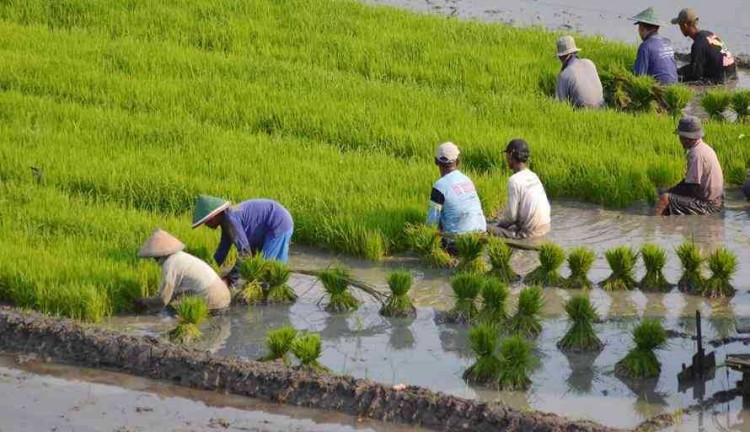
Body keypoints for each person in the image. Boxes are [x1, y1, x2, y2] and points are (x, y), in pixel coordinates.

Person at [192, 195, 294, 286]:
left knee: (265, 270)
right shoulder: (225, 222)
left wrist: (230, 279)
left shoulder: (230, 219)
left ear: (213, 216)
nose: (206, 225)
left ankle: (267, 300)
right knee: (257, 272)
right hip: (266, 227)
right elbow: (222, 250)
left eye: (206, 221)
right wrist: (209, 270)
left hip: (278, 223)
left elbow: (245, 252)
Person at [135, 228, 231, 312]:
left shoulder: (170, 264)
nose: (154, 260)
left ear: (157, 255)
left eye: (154, 257)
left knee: (170, 311)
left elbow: (163, 299)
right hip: (224, 295)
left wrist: (145, 302)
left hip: (212, 298)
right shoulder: (182, 256)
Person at [655, 116, 724, 216]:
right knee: (668, 195)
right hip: (718, 201)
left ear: (686, 138)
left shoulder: (696, 154)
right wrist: (671, 191)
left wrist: (669, 194)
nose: (680, 140)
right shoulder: (704, 148)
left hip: (708, 205)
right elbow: (689, 181)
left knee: (664, 199)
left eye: (680, 137)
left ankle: (652, 227)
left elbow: (691, 188)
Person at [488, 139, 551, 239]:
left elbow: (511, 216)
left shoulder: (514, 181)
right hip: (546, 227)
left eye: (507, 155)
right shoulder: (533, 175)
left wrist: (497, 227)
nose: (506, 158)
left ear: (511, 155)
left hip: (529, 233)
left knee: (486, 228)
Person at [426, 142, 487, 244]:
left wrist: (427, 240)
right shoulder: (467, 180)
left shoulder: (439, 186)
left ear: (436, 162)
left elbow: (432, 222)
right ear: (457, 161)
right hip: (481, 238)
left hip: (457, 243)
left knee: (440, 216)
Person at [671, 8, 737, 84]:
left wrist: (676, 74)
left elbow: (695, 75)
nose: (680, 29)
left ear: (685, 26)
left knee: (682, 80)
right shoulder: (709, 34)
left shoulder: (698, 44)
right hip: (732, 75)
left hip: (722, 80)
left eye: (680, 26)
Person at [629, 8, 678, 85]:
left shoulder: (645, 46)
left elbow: (639, 76)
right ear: (657, 28)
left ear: (642, 28)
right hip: (674, 85)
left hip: (658, 88)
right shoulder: (667, 42)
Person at [555, 36, 604, 109]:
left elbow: (561, 105)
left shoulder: (564, 75)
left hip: (582, 111)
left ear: (561, 57)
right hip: (601, 106)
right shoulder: (589, 63)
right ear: (575, 52)